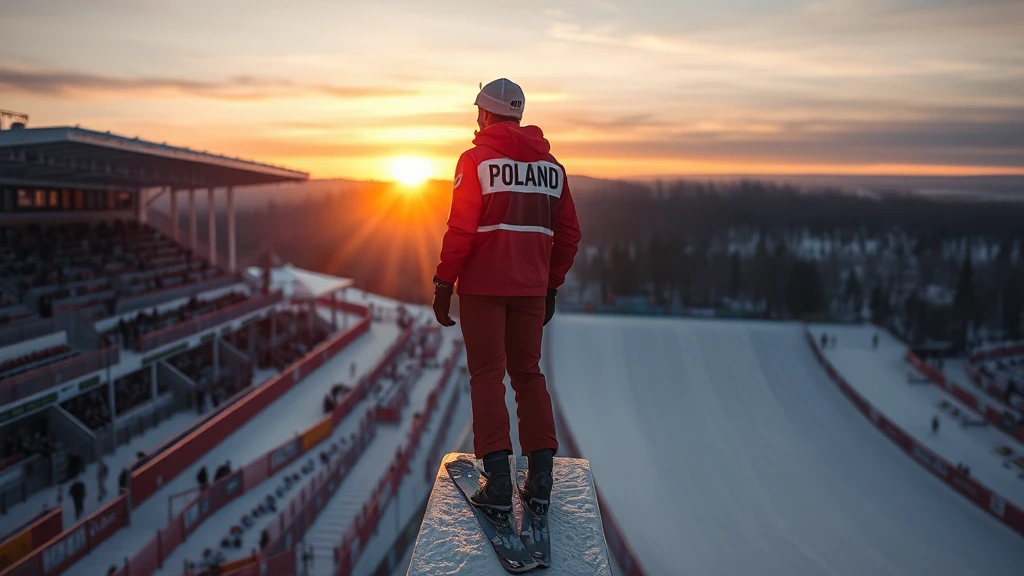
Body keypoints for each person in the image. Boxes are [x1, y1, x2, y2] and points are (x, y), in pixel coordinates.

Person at [432, 78, 582, 514]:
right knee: (528, 375)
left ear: (485, 114)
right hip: (530, 289)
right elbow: (570, 234)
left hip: (483, 288)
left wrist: (445, 282)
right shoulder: (552, 167)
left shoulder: (476, 161)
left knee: (487, 375)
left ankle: (498, 481)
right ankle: (540, 479)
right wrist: (550, 283)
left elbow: (460, 229)